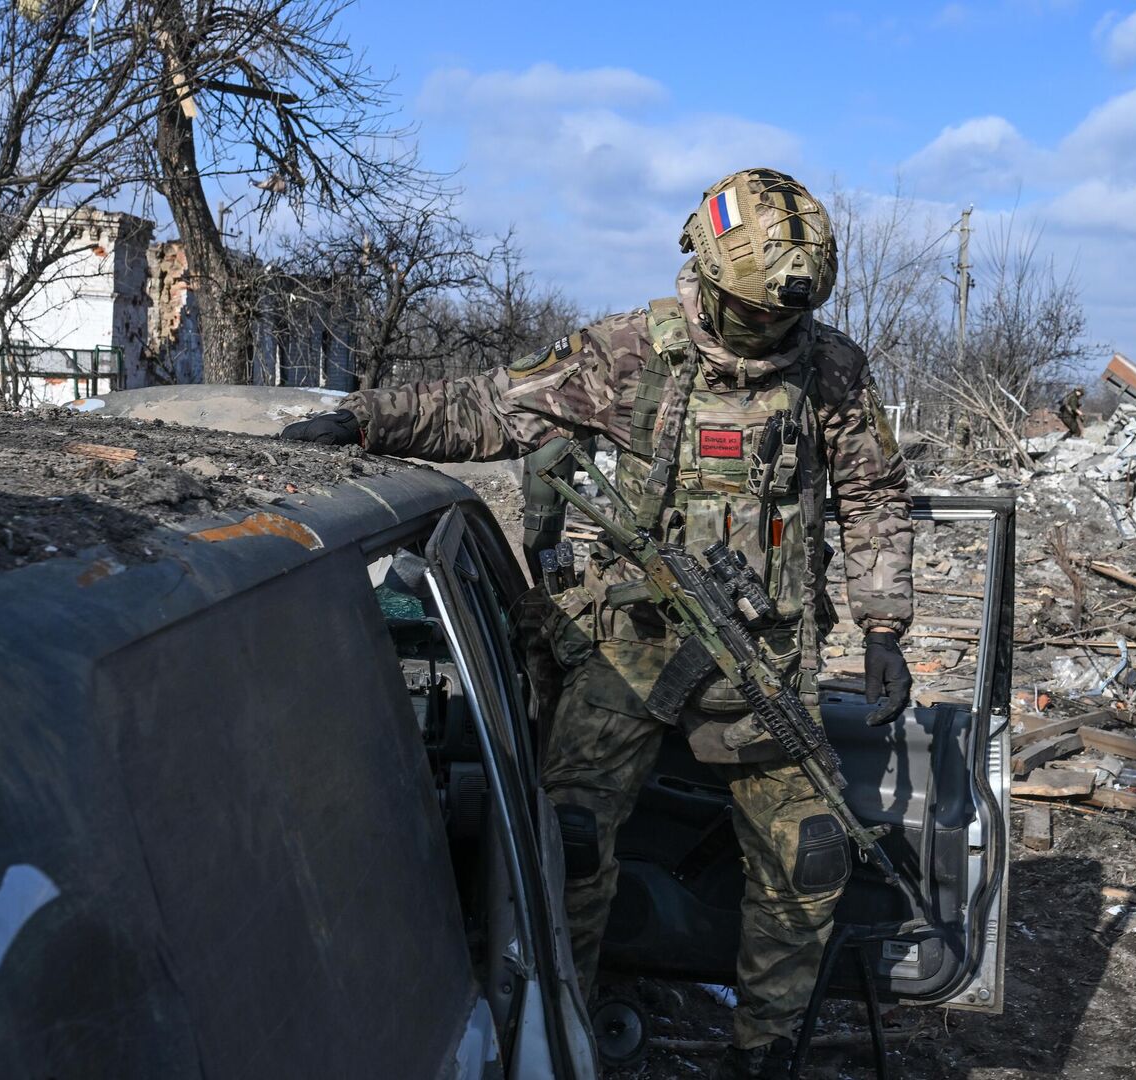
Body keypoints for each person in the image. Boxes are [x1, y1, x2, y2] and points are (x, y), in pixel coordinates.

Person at [283, 168, 914, 1079]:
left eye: (784, 317)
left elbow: (873, 492)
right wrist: (366, 418)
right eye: (754, 313)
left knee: (812, 853)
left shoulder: (829, 369)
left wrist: (885, 627)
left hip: (760, 660)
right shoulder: (628, 353)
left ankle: (766, 1047)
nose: (771, 332)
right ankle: (560, 1031)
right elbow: (492, 407)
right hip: (632, 647)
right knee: (566, 841)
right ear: (704, 271)